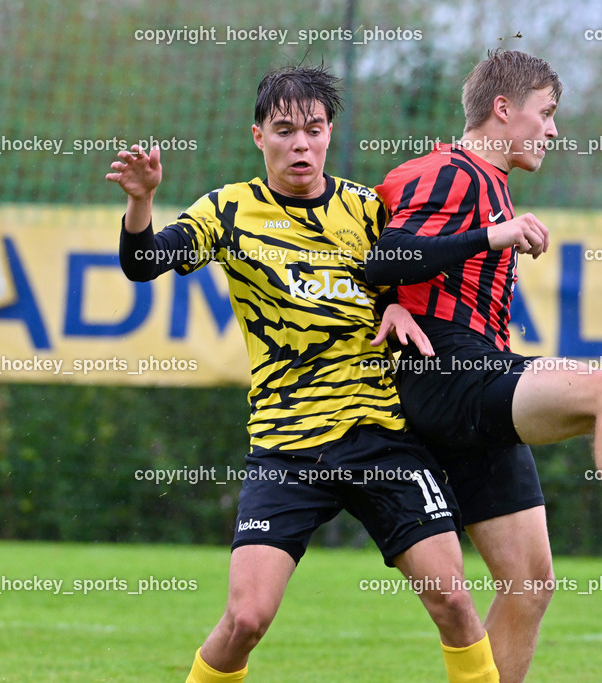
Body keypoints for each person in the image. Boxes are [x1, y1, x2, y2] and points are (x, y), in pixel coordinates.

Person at [366, 49, 602, 682]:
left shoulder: (490, 183)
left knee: (529, 583)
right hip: (447, 374)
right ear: (502, 109)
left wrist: (395, 296)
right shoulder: (451, 170)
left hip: (474, 379)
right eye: (545, 114)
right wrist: (488, 238)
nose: (552, 130)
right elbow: (384, 256)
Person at [106, 66, 498, 683]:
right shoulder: (228, 210)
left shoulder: (366, 209)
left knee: (452, 599)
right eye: (285, 130)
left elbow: (406, 270)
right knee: (246, 619)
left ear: (329, 133)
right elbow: (144, 263)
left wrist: (398, 302)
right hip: (287, 444)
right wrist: (141, 202)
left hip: (381, 435)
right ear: (258, 136)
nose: (301, 145)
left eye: (313, 130)